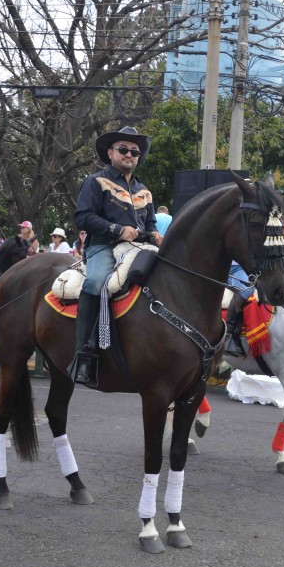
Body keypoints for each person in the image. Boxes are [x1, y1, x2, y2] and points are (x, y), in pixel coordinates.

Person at [71, 125, 161, 384]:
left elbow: (150, 223)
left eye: (134, 151)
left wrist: (155, 234)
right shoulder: (96, 181)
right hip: (103, 247)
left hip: (138, 248)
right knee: (96, 281)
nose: (129, 154)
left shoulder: (144, 191)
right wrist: (117, 230)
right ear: (110, 153)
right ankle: (84, 355)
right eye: (123, 149)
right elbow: (82, 218)